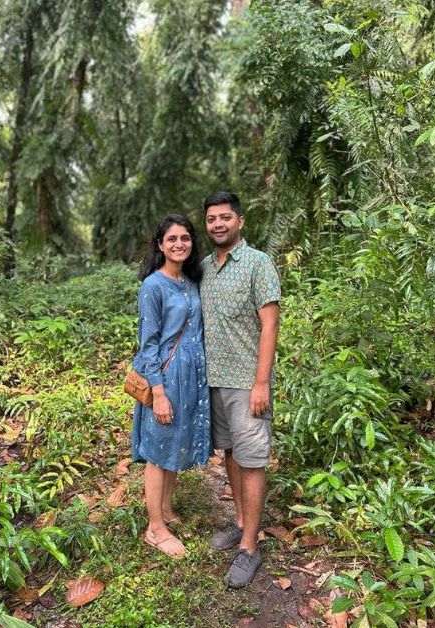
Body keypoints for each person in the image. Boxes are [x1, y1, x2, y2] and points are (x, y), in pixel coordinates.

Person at [200, 191, 281, 588]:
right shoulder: (204, 268)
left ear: (240, 222)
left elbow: (269, 324)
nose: (218, 224)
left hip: (248, 381)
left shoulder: (257, 263)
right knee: (231, 453)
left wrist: (261, 382)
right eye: (212, 218)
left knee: (251, 459)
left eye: (225, 217)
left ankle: (249, 546)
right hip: (214, 380)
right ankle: (240, 522)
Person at [130, 214, 211, 559]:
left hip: (191, 375)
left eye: (185, 238)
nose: (179, 244)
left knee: (175, 442)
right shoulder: (154, 286)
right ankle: (155, 529)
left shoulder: (191, 282)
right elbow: (148, 344)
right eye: (172, 239)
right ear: (160, 245)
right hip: (165, 376)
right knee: (159, 450)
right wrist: (159, 393)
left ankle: (164, 508)